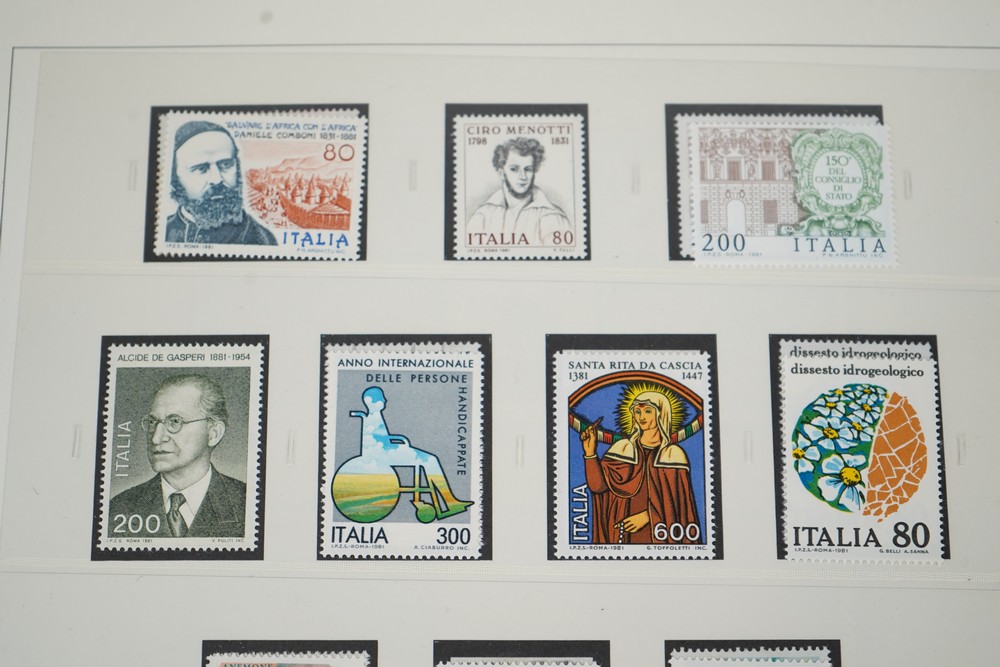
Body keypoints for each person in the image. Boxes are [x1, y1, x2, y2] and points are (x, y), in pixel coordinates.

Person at [108, 374, 246, 538]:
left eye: (175, 421)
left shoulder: (246, 503)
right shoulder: (120, 507)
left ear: (213, 433)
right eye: (152, 422)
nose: (156, 438)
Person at [580, 389, 700, 544]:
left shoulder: (672, 454)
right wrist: (590, 453)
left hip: (659, 534)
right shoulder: (623, 448)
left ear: (661, 414)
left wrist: (648, 516)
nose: (641, 417)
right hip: (622, 531)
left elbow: (678, 504)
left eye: (648, 411)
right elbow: (598, 487)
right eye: (637, 411)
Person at [164, 120, 277, 245]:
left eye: (226, 164)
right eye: (201, 168)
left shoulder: (262, 239)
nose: (217, 179)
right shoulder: (161, 231)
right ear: (174, 176)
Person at [466, 137, 572, 245]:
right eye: (514, 169)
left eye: (528, 169)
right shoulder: (483, 216)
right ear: (501, 173)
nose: (523, 177)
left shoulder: (552, 217)